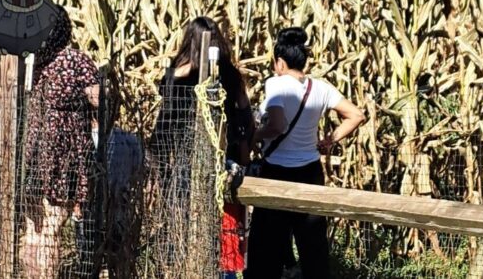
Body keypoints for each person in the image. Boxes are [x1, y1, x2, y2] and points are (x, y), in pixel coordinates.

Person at [244, 27, 366, 279]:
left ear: (280, 62)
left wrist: (254, 136)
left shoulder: (276, 84)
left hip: (277, 173)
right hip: (310, 171)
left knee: (268, 244)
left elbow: (277, 125)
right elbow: (356, 115)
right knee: (312, 244)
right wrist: (329, 140)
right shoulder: (320, 88)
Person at [149, 16, 254, 277]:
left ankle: (186, 269)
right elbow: (245, 115)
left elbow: (166, 119)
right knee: (223, 226)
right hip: (224, 159)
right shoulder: (228, 73)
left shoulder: (180, 73)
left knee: (185, 220)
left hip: (188, 160)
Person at [20, 4, 102, 279]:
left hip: (32, 151)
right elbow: (98, 100)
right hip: (64, 153)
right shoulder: (76, 61)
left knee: (33, 228)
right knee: (53, 228)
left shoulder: (33, 62)